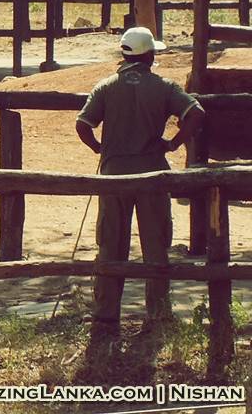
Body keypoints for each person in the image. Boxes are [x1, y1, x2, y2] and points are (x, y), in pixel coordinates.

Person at [75, 26, 205, 337]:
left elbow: (83, 124)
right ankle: (157, 314)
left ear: (124, 53)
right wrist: (172, 144)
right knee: (155, 244)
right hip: (151, 175)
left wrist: (100, 148)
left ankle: (106, 316)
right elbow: (196, 113)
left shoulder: (106, 86)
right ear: (149, 54)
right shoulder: (162, 86)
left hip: (113, 176)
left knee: (110, 243)